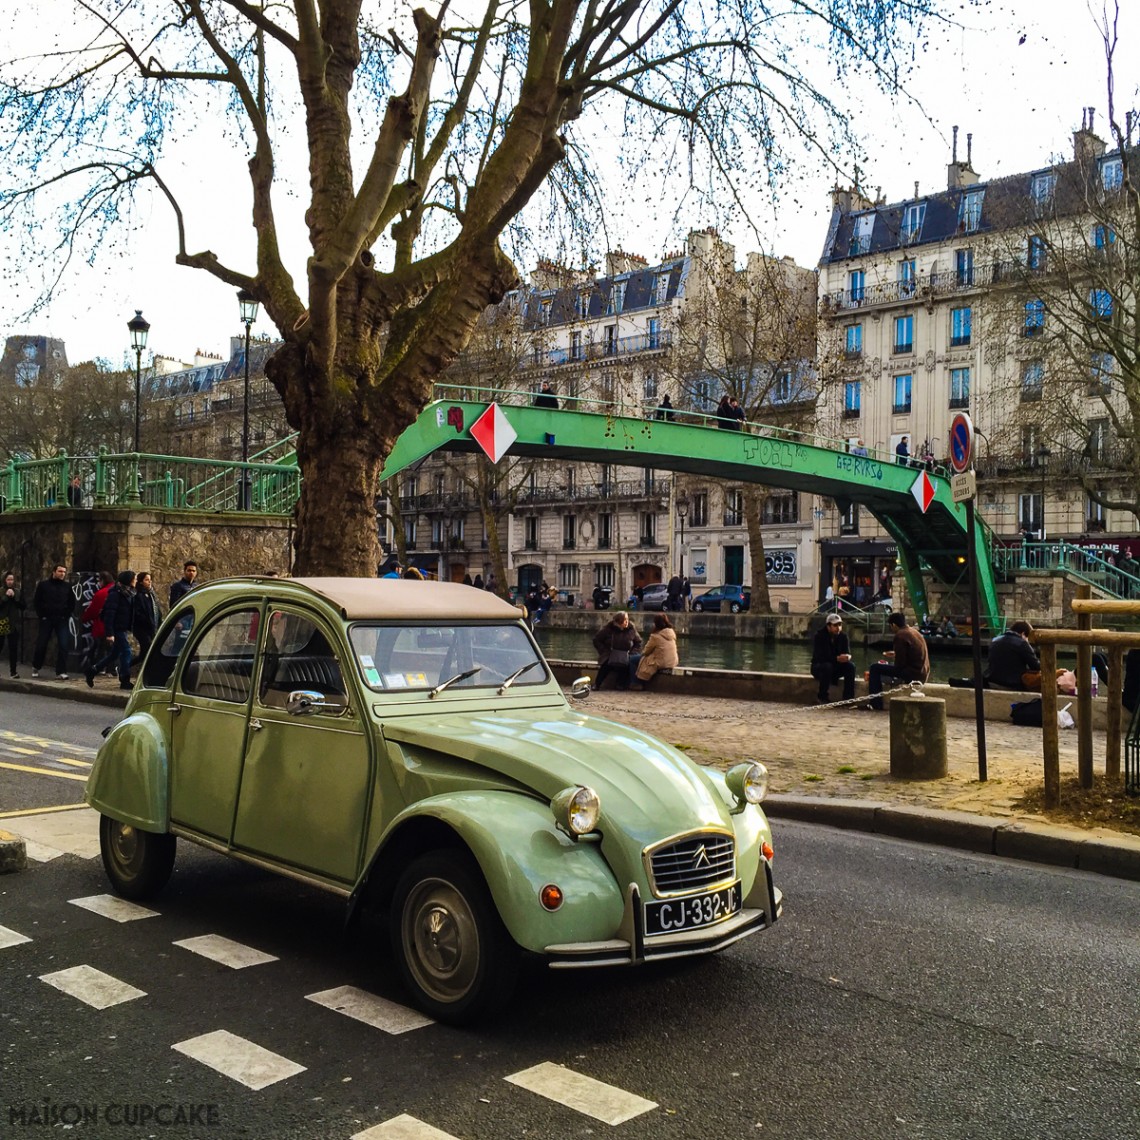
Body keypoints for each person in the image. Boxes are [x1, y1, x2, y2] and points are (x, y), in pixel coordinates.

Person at [866, 611, 930, 710]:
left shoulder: (900, 635)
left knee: (874, 668)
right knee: (884, 667)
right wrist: (896, 654)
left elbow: (899, 665)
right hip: (922, 673)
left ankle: (876, 704)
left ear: (894, 625)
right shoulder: (914, 632)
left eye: (891, 626)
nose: (891, 629)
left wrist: (891, 661)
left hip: (912, 674)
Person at [86, 571, 136, 690]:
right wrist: (109, 633)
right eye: (134, 579)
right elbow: (109, 614)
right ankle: (125, 679)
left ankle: (93, 670)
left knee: (114, 654)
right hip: (116, 628)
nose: (135, 581)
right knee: (127, 651)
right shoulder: (115, 594)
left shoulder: (129, 593)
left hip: (122, 627)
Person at [983, 620, 1063, 691]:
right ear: (1023, 634)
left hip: (991, 681)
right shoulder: (1022, 644)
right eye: (1027, 638)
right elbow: (1036, 666)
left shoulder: (995, 640)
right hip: (1012, 685)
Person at [31, 564, 74, 680]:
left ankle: (61, 671)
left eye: (64, 572)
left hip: (61, 619)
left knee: (64, 645)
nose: (62, 574)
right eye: (60, 571)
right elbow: (37, 601)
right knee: (42, 644)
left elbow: (71, 602)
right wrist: (42, 615)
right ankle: (36, 666)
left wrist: (67, 614)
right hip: (47, 618)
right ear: (54, 572)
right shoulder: (44, 585)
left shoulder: (67, 586)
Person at [811, 613, 856, 705]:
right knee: (827, 666)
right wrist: (836, 658)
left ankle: (848, 698)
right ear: (828, 626)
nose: (838, 628)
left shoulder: (843, 637)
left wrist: (847, 657)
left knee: (851, 667)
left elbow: (847, 651)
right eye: (835, 625)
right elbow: (820, 656)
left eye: (840, 625)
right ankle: (822, 696)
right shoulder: (819, 636)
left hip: (836, 665)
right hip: (819, 666)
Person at [592, 611, 642, 691]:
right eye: (624, 620)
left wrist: (632, 653)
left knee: (626, 665)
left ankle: (620, 684)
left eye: (627, 620)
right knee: (605, 665)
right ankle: (597, 684)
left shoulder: (631, 629)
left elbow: (638, 642)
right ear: (618, 622)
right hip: (610, 653)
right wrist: (604, 651)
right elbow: (596, 640)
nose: (626, 622)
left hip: (625, 654)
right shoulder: (608, 629)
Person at [631, 613, 679, 689]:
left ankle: (636, 683)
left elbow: (646, 652)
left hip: (661, 662)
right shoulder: (671, 633)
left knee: (632, 659)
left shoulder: (655, 636)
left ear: (656, 623)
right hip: (672, 661)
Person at [132, 571, 163, 664]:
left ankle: (125, 667)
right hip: (142, 628)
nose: (149, 582)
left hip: (151, 627)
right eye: (147, 580)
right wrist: (147, 621)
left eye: (150, 580)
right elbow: (138, 613)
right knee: (149, 649)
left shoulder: (151, 594)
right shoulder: (138, 595)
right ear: (141, 582)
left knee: (144, 653)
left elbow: (156, 609)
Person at [0, 571, 26, 678]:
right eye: (8, 579)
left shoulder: (18, 592)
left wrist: (15, 597)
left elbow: (23, 606)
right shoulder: (1, 591)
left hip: (13, 623)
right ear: (4, 581)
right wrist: (5, 597)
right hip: (1, 622)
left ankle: (13, 671)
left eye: (12, 579)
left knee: (13, 648)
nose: (10, 582)